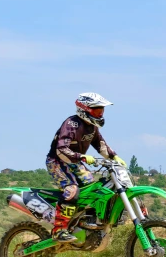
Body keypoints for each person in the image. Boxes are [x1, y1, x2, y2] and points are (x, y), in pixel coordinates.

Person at [46, 92, 126, 242]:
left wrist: (114, 157)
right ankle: (59, 230)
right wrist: (81, 157)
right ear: (85, 109)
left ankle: (84, 222)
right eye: (97, 110)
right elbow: (61, 149)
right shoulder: (71, 124)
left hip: (76, 162)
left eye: (102, 110)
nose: (100, 113)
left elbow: (101, 145)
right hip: (57, 162)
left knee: (93, 189)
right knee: (72, 190)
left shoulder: (92, 127)